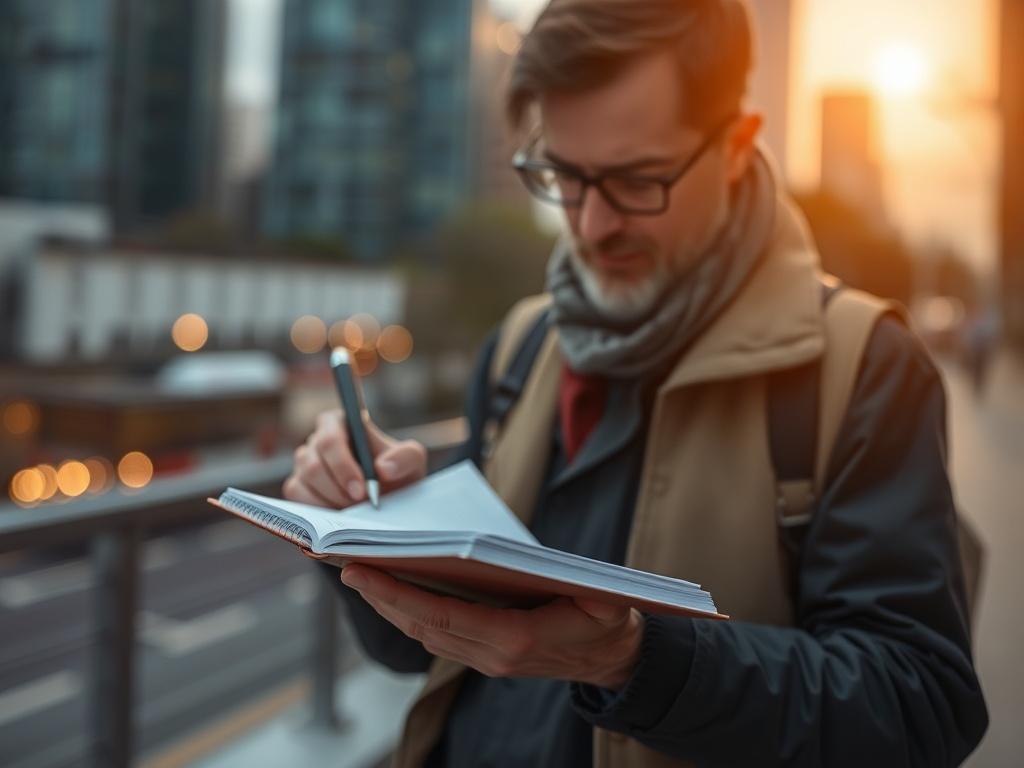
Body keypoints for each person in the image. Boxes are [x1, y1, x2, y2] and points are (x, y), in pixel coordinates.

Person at [283, 1, 988, 765]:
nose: (592, 226)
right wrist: (365, 537)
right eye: (564, 176)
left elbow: (921, 706)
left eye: (637, 180)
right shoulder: (522, 345)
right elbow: (430, 651)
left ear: (737, 146)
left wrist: (635, 663)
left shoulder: (862, 365)